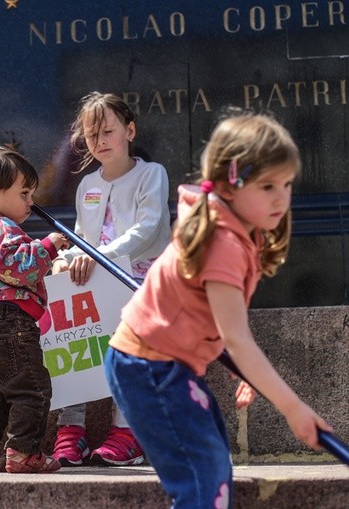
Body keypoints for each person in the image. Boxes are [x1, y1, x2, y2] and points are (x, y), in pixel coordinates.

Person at [104, 112, 333, 507]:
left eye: (286, 184)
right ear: (231, 184)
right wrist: (294, 409)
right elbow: (236, 336)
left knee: (212, 468)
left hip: (165, 366)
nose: (281, 197)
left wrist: (246, 369)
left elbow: (212, 320)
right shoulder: (224, 241)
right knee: (201, 479)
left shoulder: (237, 229)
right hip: (149, 369)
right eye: (267, 186)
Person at [51, 92, 171, 467]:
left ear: (129, 131)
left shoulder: (151, 174)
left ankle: (128, 430)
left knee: (128, 348)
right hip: (97, 278)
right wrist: (63, 258)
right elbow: (82, 238)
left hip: (139, 282)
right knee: (71, 337)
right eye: (91, 136)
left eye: (108, 131)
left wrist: (95, 257)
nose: (99, 141)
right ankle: (71, 428)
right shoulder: (88, 184)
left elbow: (148, 230)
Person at [0, 145, 69, 474]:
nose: (31, 202)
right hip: (10, 324)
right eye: (24, 193)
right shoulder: (2, 228)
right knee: (32, 390)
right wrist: (50, 244)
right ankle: (24, 453)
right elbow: (15, 266)